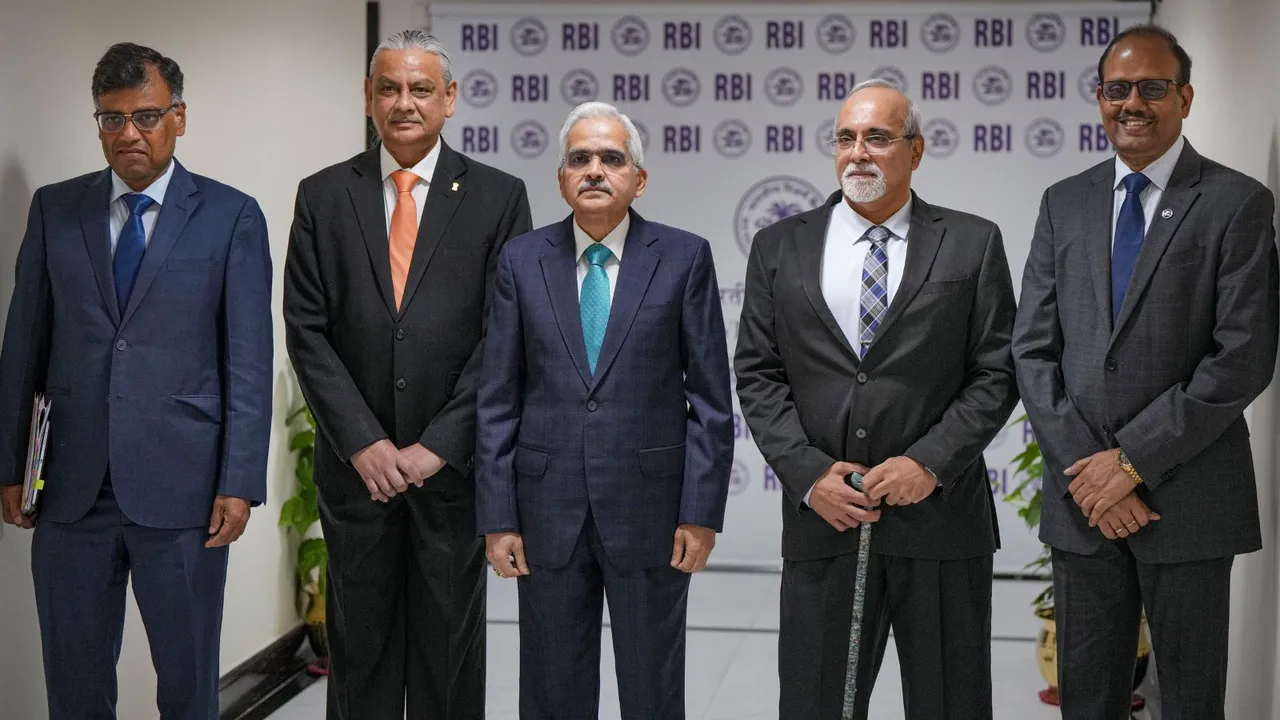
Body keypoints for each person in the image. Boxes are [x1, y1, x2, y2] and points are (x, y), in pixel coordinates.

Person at [0, 42, 273, 719]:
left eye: (146, 117)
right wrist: (12, 466)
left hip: (184, 496)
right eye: (111, 119)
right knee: (75, 682)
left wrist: (239, 481)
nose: (128, 134)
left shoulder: (230, 216)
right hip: (70, 493)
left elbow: (247, 362)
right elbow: (23, 350)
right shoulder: (53, 210)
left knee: (187, 684)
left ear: (179, 117)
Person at [1012, 24, 1278, 720]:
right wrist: (1093, 475)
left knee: (1190, 700)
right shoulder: (1061, 202)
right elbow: (1032, 350)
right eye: (1118, 89)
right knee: (1087, 699)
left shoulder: (1236, 203)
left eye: (1153, 88)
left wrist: (1130, 463)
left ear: (1184, 98)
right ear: (1099, 99)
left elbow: (1242, 356)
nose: (1134, 103)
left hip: (1190, 499)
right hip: (1085, 506)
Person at [734, 79, 1018, 719]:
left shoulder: (972, 243)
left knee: (952, 704)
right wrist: (809, 476)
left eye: (878, 138)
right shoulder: (780, 246)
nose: (858, 152)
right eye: (846, 138)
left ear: (915, 151)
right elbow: (757, 372)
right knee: (815, 705)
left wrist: (930, 463)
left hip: (943, 524)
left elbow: (996, 371)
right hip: (825, 521)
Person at [283, 29, 531, 720]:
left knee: (449, 653)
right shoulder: (323, 195)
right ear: (367, 97)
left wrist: (436, 446)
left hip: (449, 475)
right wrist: (364, 443)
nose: (404, 102)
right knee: (359, 652)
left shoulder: (498, 198)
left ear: (449, 99)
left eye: (421, 89)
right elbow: (306, 330)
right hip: (356, 476)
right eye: (388, 88)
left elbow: (504, 337)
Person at [475, 101, 734, 719]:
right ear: (562, 177)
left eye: (611, 159)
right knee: (551, 690)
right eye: (579, 159)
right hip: (544, 513)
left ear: (638, 179)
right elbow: (498, 400)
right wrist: (498, 517)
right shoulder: (520, 260)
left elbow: (712, 403)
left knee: (652, 688)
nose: (595, 170)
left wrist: (701, 513)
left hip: (652, 513)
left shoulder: (684, 257)